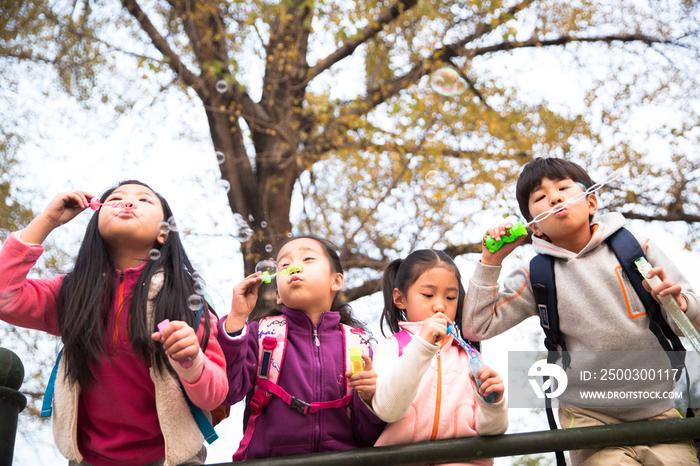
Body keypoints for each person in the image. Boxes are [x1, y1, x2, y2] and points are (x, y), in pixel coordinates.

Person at [464, 157, 699, 465]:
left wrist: (681, 305)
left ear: (591, 202)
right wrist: (491, 262)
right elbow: (476, 326)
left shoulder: (636, 248)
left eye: (563, 187)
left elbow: (687, 321)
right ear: (534, 225)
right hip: (590, 419)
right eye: (540, 197)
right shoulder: (535, 275)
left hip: (660, 411)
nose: (555, 197)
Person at [0, 181, 228, 466]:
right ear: (96, 223)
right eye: (117, 198)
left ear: (163, 233)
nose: (128, 202)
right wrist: (46, 221)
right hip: (90, 460)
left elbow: (215, 395)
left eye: (145, 200)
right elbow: (4, 297)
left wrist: (192, 361)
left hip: (171, 458)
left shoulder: (185, 299)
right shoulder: (72, 293)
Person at [217, 236, 385, 460]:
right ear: (278, 294)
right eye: (284, 265)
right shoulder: (260, 334)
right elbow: (228, 391)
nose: (293, 268)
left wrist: (370, 398)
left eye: (307, 258)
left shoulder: (357, 344)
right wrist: (237, 317)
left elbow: (367, 437)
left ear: (336, 281)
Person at [372, 249, 508, 465]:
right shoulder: (390, 348)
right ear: (400, 298)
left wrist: (494, 403)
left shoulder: (470, 357)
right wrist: (423, 345)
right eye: (428, 295)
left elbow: (492, 431)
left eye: (450, 297)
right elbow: (387, 410)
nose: (440, 306)